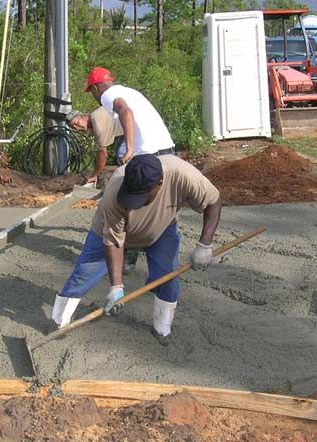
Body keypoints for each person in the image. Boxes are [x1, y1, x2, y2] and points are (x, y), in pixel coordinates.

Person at [51, 154, 222, 345]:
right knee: (85, 272)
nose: (135, 202)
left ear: (160, 183)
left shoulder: (184, 176)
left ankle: (162, 327)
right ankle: (60, 321)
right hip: (109, 230)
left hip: (161, 228)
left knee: (168, 276)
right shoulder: (114, 192)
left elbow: (213, 201)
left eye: (141, 196)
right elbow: (114, 242)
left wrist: (205, 244)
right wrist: (116, 287)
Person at [84, 67, 175, 166]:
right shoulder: (129, 92)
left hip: (148, 156)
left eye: (92, 92)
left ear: (95, 88)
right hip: (168, 152)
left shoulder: (107, 95)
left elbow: (126, 112)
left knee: (122, 157)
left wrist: (130, 149)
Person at [68, 106, 122, 185]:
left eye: (76, 123)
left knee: (123, 155)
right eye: (74, 127)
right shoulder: (95, 117)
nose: (77, 128)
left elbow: (103, 154)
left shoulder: (97, 123)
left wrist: (95, 175)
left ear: (83, 116)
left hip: (135, 129)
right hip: (127, 131)